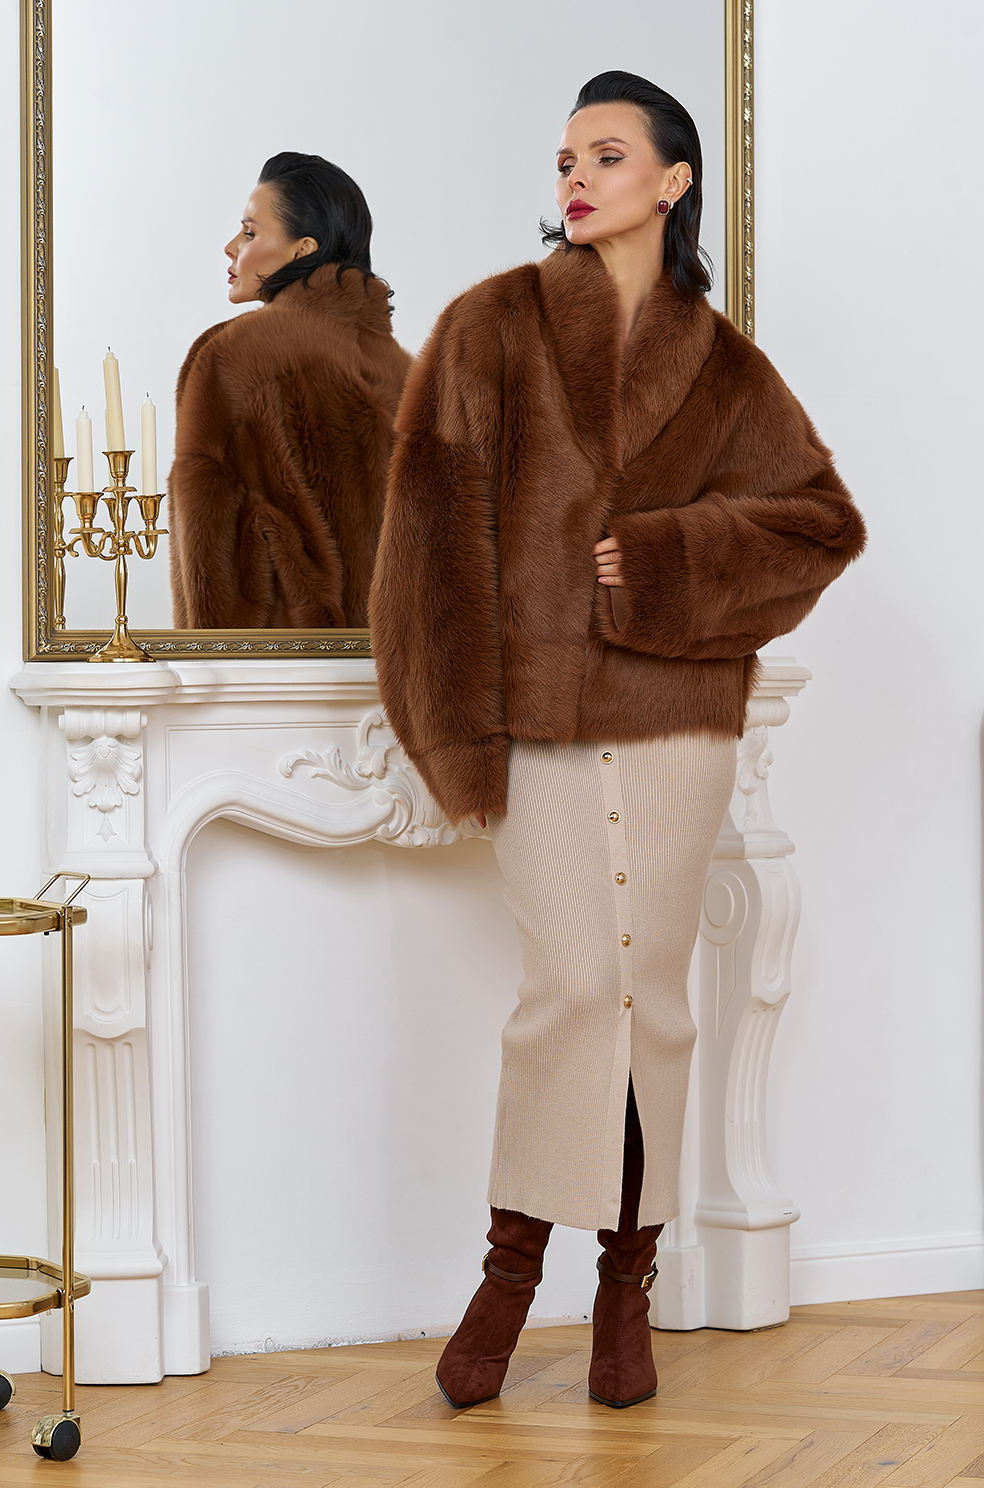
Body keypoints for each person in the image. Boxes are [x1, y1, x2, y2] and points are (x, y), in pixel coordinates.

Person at [370, 71, 865, 1410]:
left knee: (655, 1000)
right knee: (573, 989)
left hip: (675, 723)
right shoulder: (489, 326)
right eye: (565, 159)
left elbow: (820, 523)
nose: (576, 178)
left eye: (606, 154)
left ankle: (624, 1287)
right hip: (533, 723)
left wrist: (663, 559)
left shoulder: (724, 364)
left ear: (672, 180)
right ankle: (509, 1273)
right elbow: (425, 545)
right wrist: (455, 734)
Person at [168, 152, 412, 629]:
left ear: (303, 250)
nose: (230, 247)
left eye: (249, 232)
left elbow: (210, 558)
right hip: (390, 664)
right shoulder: (407, 373)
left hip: (276, 666)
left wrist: (205, 662)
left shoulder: (234, 356)